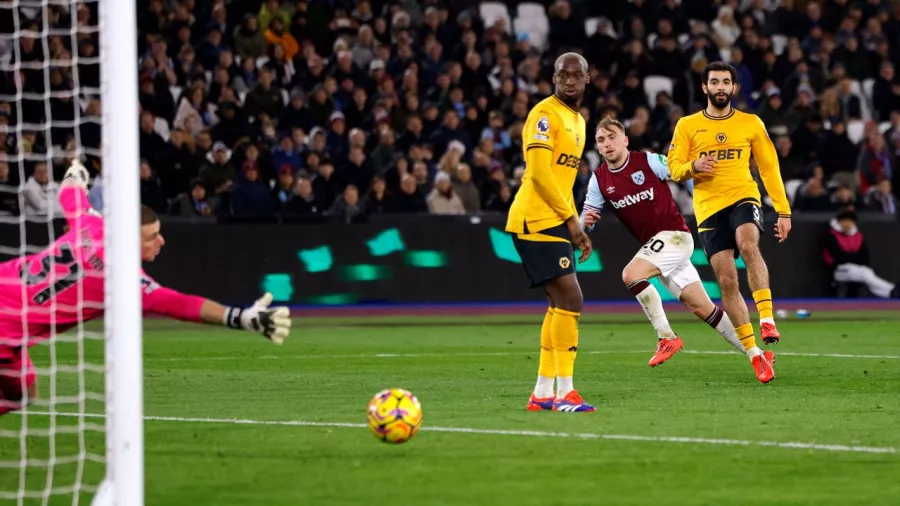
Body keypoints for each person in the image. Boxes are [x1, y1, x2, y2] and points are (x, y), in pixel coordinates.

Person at [0, 162, 292, 416]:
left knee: (24, 393)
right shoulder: (120, 276)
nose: (161, 241)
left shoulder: (91, 222)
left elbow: (70, 193)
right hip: (6, 330)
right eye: (152, 237)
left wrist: (76, 172)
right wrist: (238, 317)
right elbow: (178, 304)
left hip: (6, 297)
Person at [582, 116, 774, 383]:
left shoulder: (648, 161)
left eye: (612, 137)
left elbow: (682, 173)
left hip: (675, 236)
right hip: (658, 248)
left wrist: (705, 202)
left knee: (631, 275)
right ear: (598, 148)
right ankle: (757, 355)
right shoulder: (598, 180)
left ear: (625, 140)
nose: (607, 143)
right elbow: (587, 217)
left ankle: (666, 336)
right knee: (702, 308)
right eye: (601, 140)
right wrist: (587, 224)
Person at [668, 62, 791, 377]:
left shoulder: (750, 123)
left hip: (743, 196)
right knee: (726, 280)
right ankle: (755, 355)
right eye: (714, 82)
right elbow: (674, 168)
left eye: (726, 82)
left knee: (748, 244)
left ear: (734, 88)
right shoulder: (687, 125)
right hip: (708, 208)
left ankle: (766, 318)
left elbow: (768, 167)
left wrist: (783, 210)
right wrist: (694, 166)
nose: (720, 87)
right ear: (705, 88)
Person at [505, 53, 595, 413]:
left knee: (559, 304)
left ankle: (543, 394)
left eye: (576, 76)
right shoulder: (544, 114)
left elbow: (563, 179)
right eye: (563, 75)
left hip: (554, 218)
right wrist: (572, 222)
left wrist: (572, 221)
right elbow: (540, 174)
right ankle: (565, 393)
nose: (570, 81)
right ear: (553, 78)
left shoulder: (577, 120)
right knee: (571, 300)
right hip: (535, 218)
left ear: (588, 79)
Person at [823, 208, 899, 299]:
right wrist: (855, 257)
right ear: (839, 222)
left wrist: (852, 257)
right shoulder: (831, 236)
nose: (848, 224)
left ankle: (891, 293)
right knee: (865, 274)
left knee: (868, 274)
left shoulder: (858, 236)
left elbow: (865, 256)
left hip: (857, 268)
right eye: (845, 221)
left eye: (850, 221)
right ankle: (893, 289)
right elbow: (839, 256)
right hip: (839, 270)